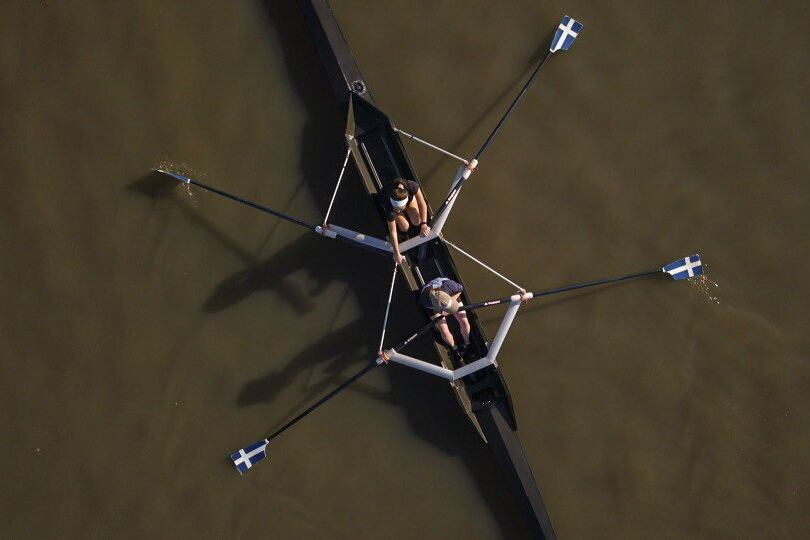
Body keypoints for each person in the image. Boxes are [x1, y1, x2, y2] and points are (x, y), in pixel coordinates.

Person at [419, 277, 471, 360]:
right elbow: (438, 311)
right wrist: (443, 311)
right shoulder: (426, 301)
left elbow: (460, 289)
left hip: (447, 294)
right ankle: (454, 348)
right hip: (433, 302)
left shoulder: (452, 286)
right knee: (444, 330)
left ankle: (467, 343)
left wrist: (452, 301)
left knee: (464, 321)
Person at [383, 178, 430, 264]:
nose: (398, 211)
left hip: (408, 200)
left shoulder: (412, 186)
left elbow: (422, 204)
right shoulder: (390, 208)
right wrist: (397, 253)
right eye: (396, 209)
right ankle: (403, 236)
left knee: (417, 221)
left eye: (399, 209)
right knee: (405, 227)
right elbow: (392, 231)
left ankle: (413, 221)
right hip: (390, 203)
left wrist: (424, 224)